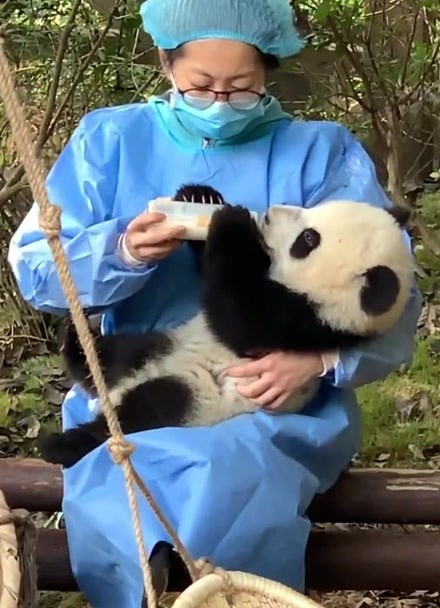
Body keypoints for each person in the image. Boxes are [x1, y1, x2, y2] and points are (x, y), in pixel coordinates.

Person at [8, 0, 422, 606]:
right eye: (201, 85)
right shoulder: (110, 140)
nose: (220, 102)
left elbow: (392, 294)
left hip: (270, 409)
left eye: (242, 88)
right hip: (133, 387)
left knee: (229, 479)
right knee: (123, 484)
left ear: (269, 71)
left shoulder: (321, 153)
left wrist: (319, 360)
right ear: (165, 62)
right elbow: (38, 267)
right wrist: (121, 249)